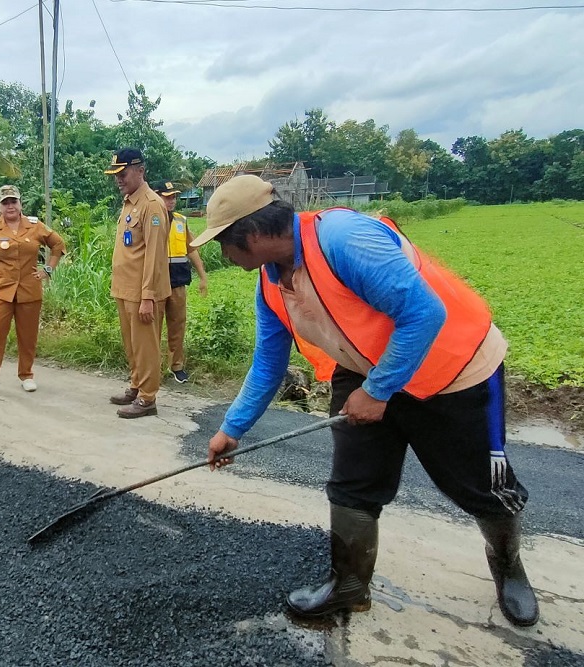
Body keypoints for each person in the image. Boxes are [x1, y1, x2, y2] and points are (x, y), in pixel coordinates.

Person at [194, 175, 538, 627]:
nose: (223, 255)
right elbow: (267, 364)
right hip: (365, 368)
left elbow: (424, 313)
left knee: (480, 486)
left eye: (224, 243)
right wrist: (231, 429)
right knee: (354, 482)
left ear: (254, 234)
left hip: (453, 369)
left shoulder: (344, 239)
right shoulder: (271, 283)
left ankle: (509, 568)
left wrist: (377, 392)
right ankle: (350, 587)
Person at [0, 185, 65, 400]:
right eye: (5, 203)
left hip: (28, 291)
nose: (10, 206)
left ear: (20, 203)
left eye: (13, 201)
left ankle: (26, 375)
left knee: (28, 335)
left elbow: (58, 244)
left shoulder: (34, 226)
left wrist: (48, 270)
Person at [104, 149, 170, 418]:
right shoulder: (129, 202)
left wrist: (147, 297)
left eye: (123, 174)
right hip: (125, 288)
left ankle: (147, 398)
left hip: (143, 293)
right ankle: (136, 384)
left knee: (146, 346)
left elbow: (154, 257)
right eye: (116, 175)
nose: (119, 180)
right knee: (132, 344)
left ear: (140, 171)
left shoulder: (152, 205)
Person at [151, 180, 208, 384]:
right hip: (155, 283)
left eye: (174, 196)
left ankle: (177, 366)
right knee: (152, 328)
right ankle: (151, 369)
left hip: (177, 281)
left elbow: (191, 249)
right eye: (168, 197)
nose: (172, 200)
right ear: (156, 196)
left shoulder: (180, 221)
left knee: (177, 325)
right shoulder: (149, 220)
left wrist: (203, 275)